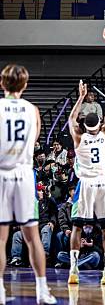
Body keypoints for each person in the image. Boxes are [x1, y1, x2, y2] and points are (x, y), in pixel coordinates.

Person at [0, 64, 57, 304]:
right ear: (24, 85)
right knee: (32, 236)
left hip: (2, 172)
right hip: (24, 174)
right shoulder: (32, 110)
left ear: (2, 84)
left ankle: (0, 290)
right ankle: (42, 290)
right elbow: (34, 140)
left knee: (1, 238)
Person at [67, 80, 105, 285]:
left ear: (85, 125)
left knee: (77, 228)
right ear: (98, 124)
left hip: (86, 184)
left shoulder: (78, 137)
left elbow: (71, 118)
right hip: (103, 184)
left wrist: (81, 96)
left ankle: (73, 269)